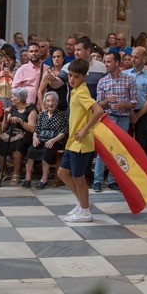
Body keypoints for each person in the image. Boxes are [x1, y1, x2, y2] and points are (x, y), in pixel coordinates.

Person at [58, 58, 105, 223]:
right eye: (70, 75)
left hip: (81, 143)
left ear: (84, 77)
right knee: (62, 173)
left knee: (79, 178)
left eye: (76, 77)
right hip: (72, 141)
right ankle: (83, 203)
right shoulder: (75, 90)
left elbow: (98, 111)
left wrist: (85, 130)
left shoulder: (83, 91)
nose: (71, 79)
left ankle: (85, 211)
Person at [93, 50, 138, 192]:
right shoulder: (103, 81)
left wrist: (123, 105)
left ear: (117, 63)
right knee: (104, 149)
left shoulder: (129, 79)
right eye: (105, 61)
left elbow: (134, 103)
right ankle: (98, 180)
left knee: (119, 149)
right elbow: (98, 104)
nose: (106, 64)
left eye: (108, 61)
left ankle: (113, 179)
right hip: (108, 117)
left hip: (124, 118)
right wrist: (107, 100)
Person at [0, 88, 36, 186]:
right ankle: (4, 171)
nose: (11, 99)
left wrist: (20, 121)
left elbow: (32, 129)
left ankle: (17, 173)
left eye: (13, 97)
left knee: (18, 145)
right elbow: (4, 128)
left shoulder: (31, 109)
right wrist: (5, 116)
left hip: (25, 134)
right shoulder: (11, 109)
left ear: (18, 98)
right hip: (11, 133)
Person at [25, 91, 67, 189]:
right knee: (31, 150)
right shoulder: (41, 115)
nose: (50, 103)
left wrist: (53, 140)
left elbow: (64, 131)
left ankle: (44, 179)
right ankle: (28, 178)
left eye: (53, 101)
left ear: (57, 102)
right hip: (41, 139)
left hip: (55, 141)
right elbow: (36, 129)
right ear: (44, 103)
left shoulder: (62, 115)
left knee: (46, 151)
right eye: (48, 101)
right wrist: (35, 138)